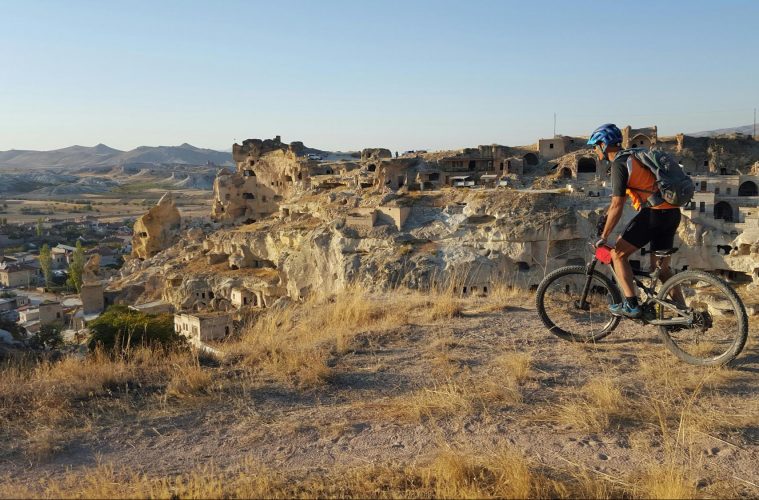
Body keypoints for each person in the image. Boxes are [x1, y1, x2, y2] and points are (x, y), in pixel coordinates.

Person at [588, 123, 682, 318]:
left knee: (618, 255)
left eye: (595, 146)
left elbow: (618, 204)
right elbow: (618, 202)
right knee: (662, 270)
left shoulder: (619, 165)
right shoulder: (634, 157)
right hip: (672, 213)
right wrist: (605, 218)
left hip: (654, 215)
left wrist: (604, 236)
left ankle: (631, 305)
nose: (594, 151)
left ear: (603, 145)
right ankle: (684, 313)